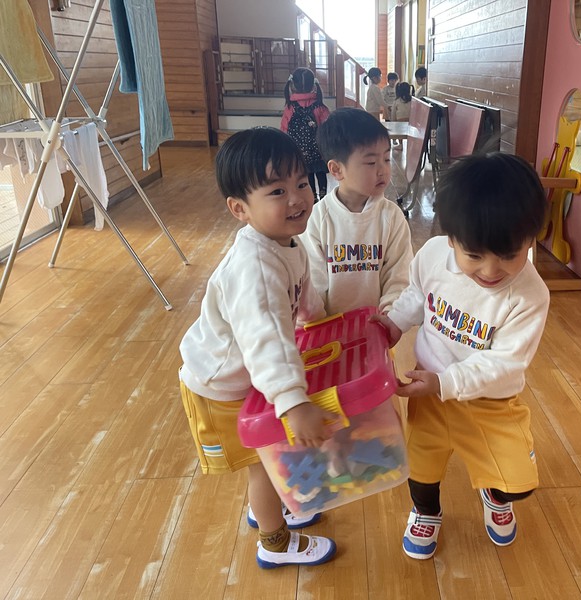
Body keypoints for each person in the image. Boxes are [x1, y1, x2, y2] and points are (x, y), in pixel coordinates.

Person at [374, 152, 550, 560]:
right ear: (451, 239)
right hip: (429, 394)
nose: (490, 270)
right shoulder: (434, 254)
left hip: (490, 403)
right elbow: (418, 293)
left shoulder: (529, 296)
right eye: (474, 255)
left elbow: (505, 363)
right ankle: (426, 512)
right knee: (421, 467)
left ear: (531, 240)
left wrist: (446, 382)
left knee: (517, 483)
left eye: (509, 255)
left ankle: (495, 495)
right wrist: (395, 323)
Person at [178, 127, 337, 570]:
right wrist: (293, 402)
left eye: (301, 183)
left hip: (247, 378)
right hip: (220, 387)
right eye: (277, 191)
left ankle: (271, 509)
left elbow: (303, 296)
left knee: (270, 459)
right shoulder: (254, 268)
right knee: (267, 462)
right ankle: (274, 540)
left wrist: (321, 323)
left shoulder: (288, 242)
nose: (297, 198)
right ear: (239, 209)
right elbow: (266, 340)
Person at [300, 107, 413, 315]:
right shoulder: (317, 219)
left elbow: (398, 277)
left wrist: (390, 315)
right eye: (371, 162)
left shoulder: (392, 217)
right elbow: (314, 285)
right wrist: (318, 322)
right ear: (336, 169)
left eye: (386, 159)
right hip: (328, 326)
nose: (383, 170)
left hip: (376, 325)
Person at [280, 67, 331, 202]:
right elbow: (328, 129)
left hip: (299, 152)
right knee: (321, 173)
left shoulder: (290, 108)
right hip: (319, 151)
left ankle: (312, 197)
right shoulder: (320, 107)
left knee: (308, 174)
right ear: (314, 86)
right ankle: (323, 196)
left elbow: (284, 130)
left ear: (292, 86)